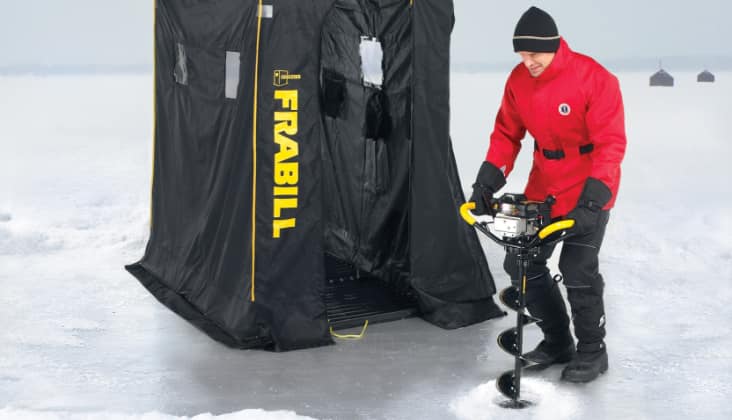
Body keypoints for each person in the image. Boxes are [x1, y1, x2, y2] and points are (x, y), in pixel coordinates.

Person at [470, 6, 627, 383]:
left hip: (590, 186)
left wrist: (593, 201)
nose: (528, 62)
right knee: (521, 265)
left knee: (576, 268)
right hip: (545, 186)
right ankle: (558, 341)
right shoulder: (519, 80)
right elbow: (507, 134)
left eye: (533, 54)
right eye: (521, 55)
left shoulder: (594, 78)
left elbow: (611, 144)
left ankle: (592, 351)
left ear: (553, 46)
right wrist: (486, 183)